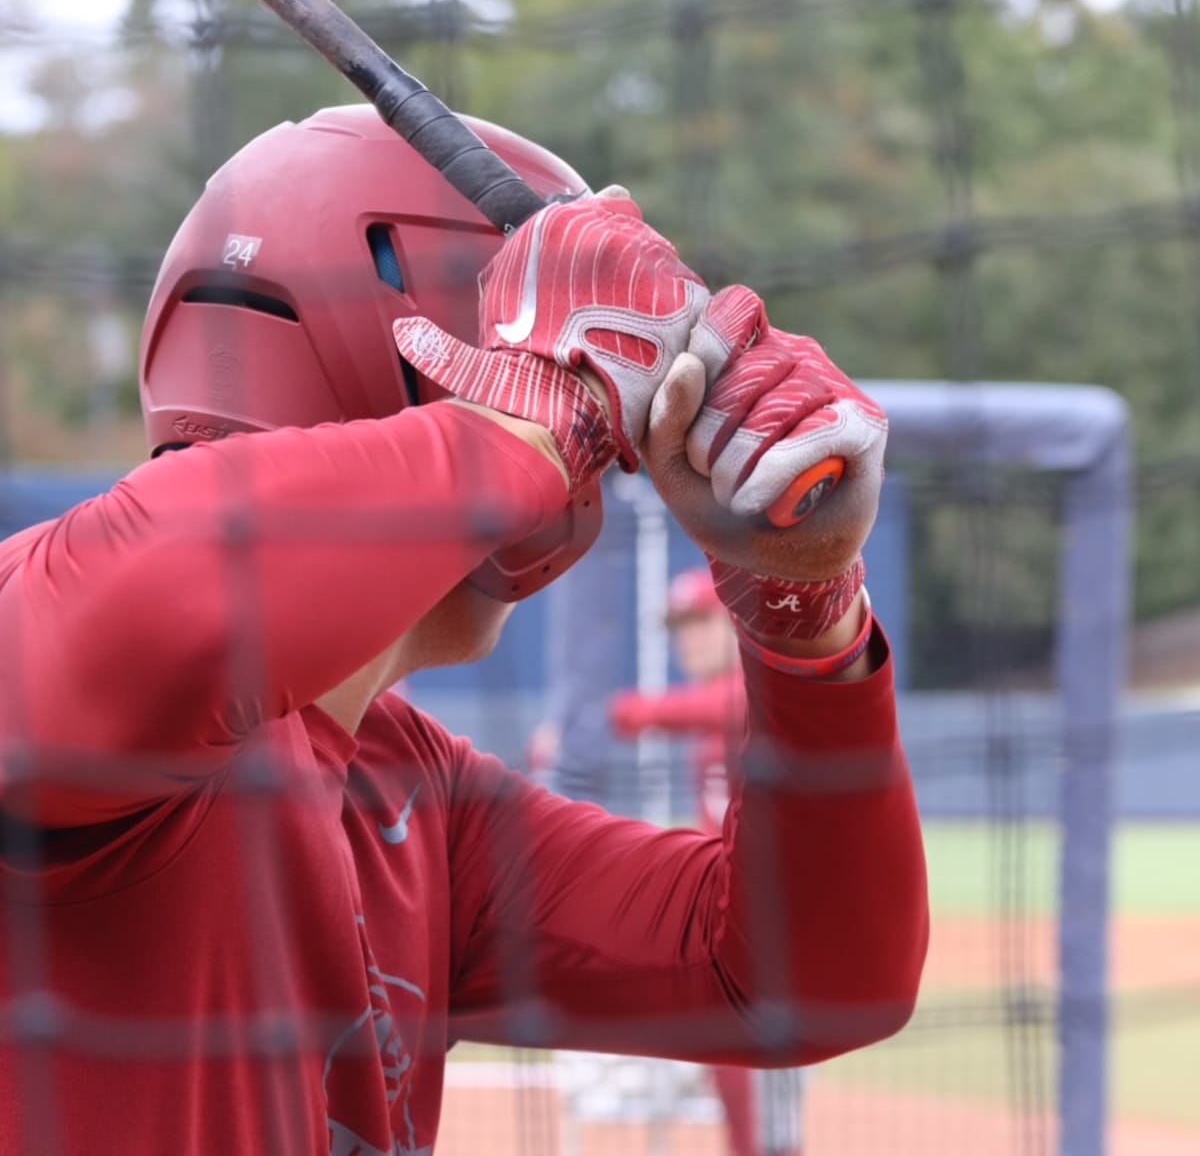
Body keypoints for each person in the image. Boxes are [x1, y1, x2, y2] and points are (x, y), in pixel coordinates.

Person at [0, 104, 928, 1156]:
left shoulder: (411, 797)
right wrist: (540, 417)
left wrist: (807, 615)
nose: (614, 450)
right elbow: (164, 598)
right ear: (437, 371)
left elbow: (816, 981)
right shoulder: (75, 641)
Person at [610, 566, 806, 1156]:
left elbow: (722, 706)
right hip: (741, 922)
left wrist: (615, 717)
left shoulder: (756, 684)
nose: (687, 640)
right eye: (681, 628)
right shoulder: (713, 706)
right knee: (731, 1061)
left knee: (757, 1078)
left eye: (701, 624)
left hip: (782, 924)